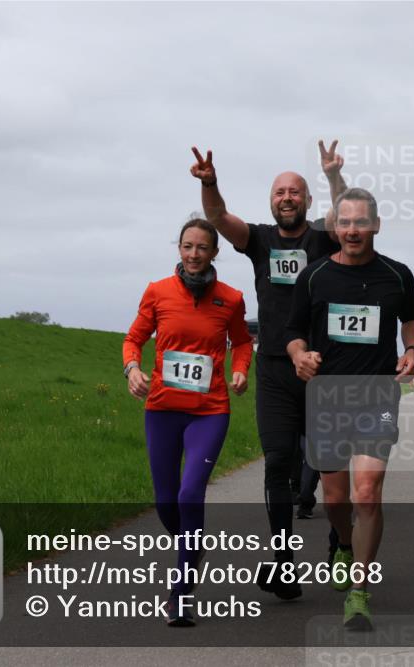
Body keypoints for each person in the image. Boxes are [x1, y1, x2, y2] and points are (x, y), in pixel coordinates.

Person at [190, 141, 346, 600]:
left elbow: (346, 214)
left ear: (307, 200)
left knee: (330, 467)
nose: (287, 197)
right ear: (271, 201)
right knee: (278, 463)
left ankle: (339, 544)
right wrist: (210, 183)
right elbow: (218, 217)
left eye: (295, 191)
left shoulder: (323, 237)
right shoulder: (259, 239)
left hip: (323, 369)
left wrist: (333, 176)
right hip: (276, 370)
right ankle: (283, 562)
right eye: (280, 192)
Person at [285, 187, 414, 630]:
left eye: (361, 222)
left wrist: (412, 349)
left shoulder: (397, 275)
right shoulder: (314, 276)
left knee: (367, 491)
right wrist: (299, 356)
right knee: (335, 498)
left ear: (376, 225)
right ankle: (343, 544)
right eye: (344, 222)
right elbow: (293, 332)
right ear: (335, 226)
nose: (352, 230)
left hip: (377, 395)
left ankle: (360, 592)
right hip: (327, 398)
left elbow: (413, 316)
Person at [122, 218, 252, 626]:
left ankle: (180, 593)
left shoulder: (230, 298)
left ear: (215, 253)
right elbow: (134, 338)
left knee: (190, 493)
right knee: (166, 502)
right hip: (162, 409)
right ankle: (192, 548)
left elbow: (242, 342)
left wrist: (241, 370)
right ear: (179, 249)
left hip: (210, 410)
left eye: (202, 248)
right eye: (187, 246)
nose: (194, 254)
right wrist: (132, 369)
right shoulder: (157, 292)